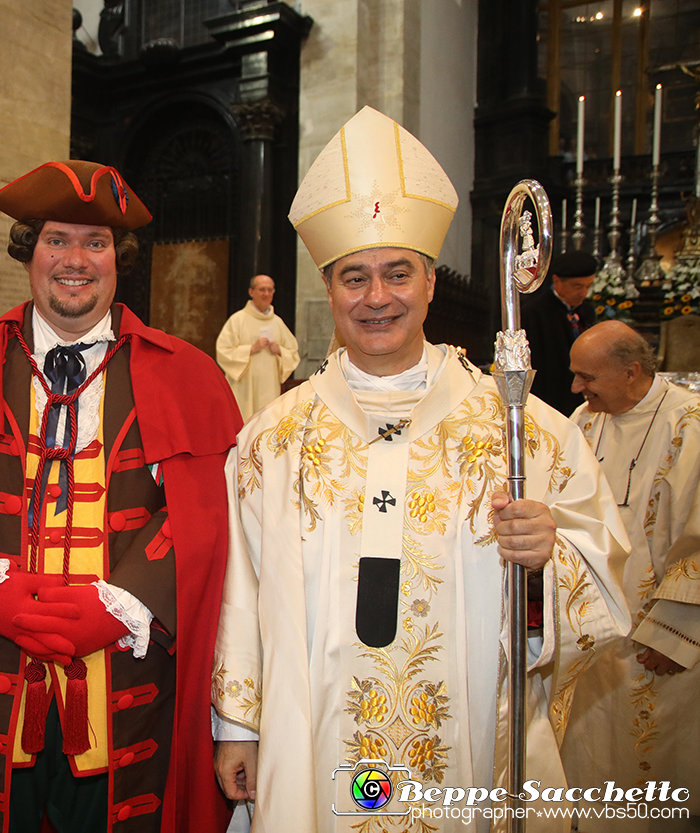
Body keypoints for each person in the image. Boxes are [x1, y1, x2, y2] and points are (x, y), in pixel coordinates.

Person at [211, 107, 631, 831]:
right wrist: (238, 723)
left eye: (397, 273)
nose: (378, 298)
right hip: (316, 745)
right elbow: (244, 586)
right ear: (329, 289)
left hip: (464, 751)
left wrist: (544, 559)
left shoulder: (526, 433)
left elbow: (598, 588)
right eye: (354, 278)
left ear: (431, 283)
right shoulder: (271, 441)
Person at [0, 159, 240, 833]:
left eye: (95, 242)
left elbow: (205, 514)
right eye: (57, 239)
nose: (75, 259)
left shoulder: (187, 375)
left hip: (126, 692)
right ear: (28, 251)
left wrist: (124, 603)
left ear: (119, 258)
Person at [561, 321, 699, 830]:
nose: (577, 388)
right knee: (591, 761)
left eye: (586, 376)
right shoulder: (583, 421)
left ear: (632, 372)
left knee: (650, 771)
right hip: (592, 633)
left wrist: (674, 631)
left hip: (656, 640)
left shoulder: (691, 424)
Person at [519, 250, 598, 414]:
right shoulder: (534, 313)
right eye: (577, 286)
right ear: (557, 281)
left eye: (587, 287)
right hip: (549, 398)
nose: (583, 293)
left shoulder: (586, 310)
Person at [215, 274, 300, 419]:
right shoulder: (238, 320)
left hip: (269, 388)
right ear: (251, 292)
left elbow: (293, 353)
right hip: (244, 390)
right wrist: (251, 349)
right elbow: (223, 351)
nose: (266, 294)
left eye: (270, 290)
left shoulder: (277, 322)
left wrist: (280, 350)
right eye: (262, 289)